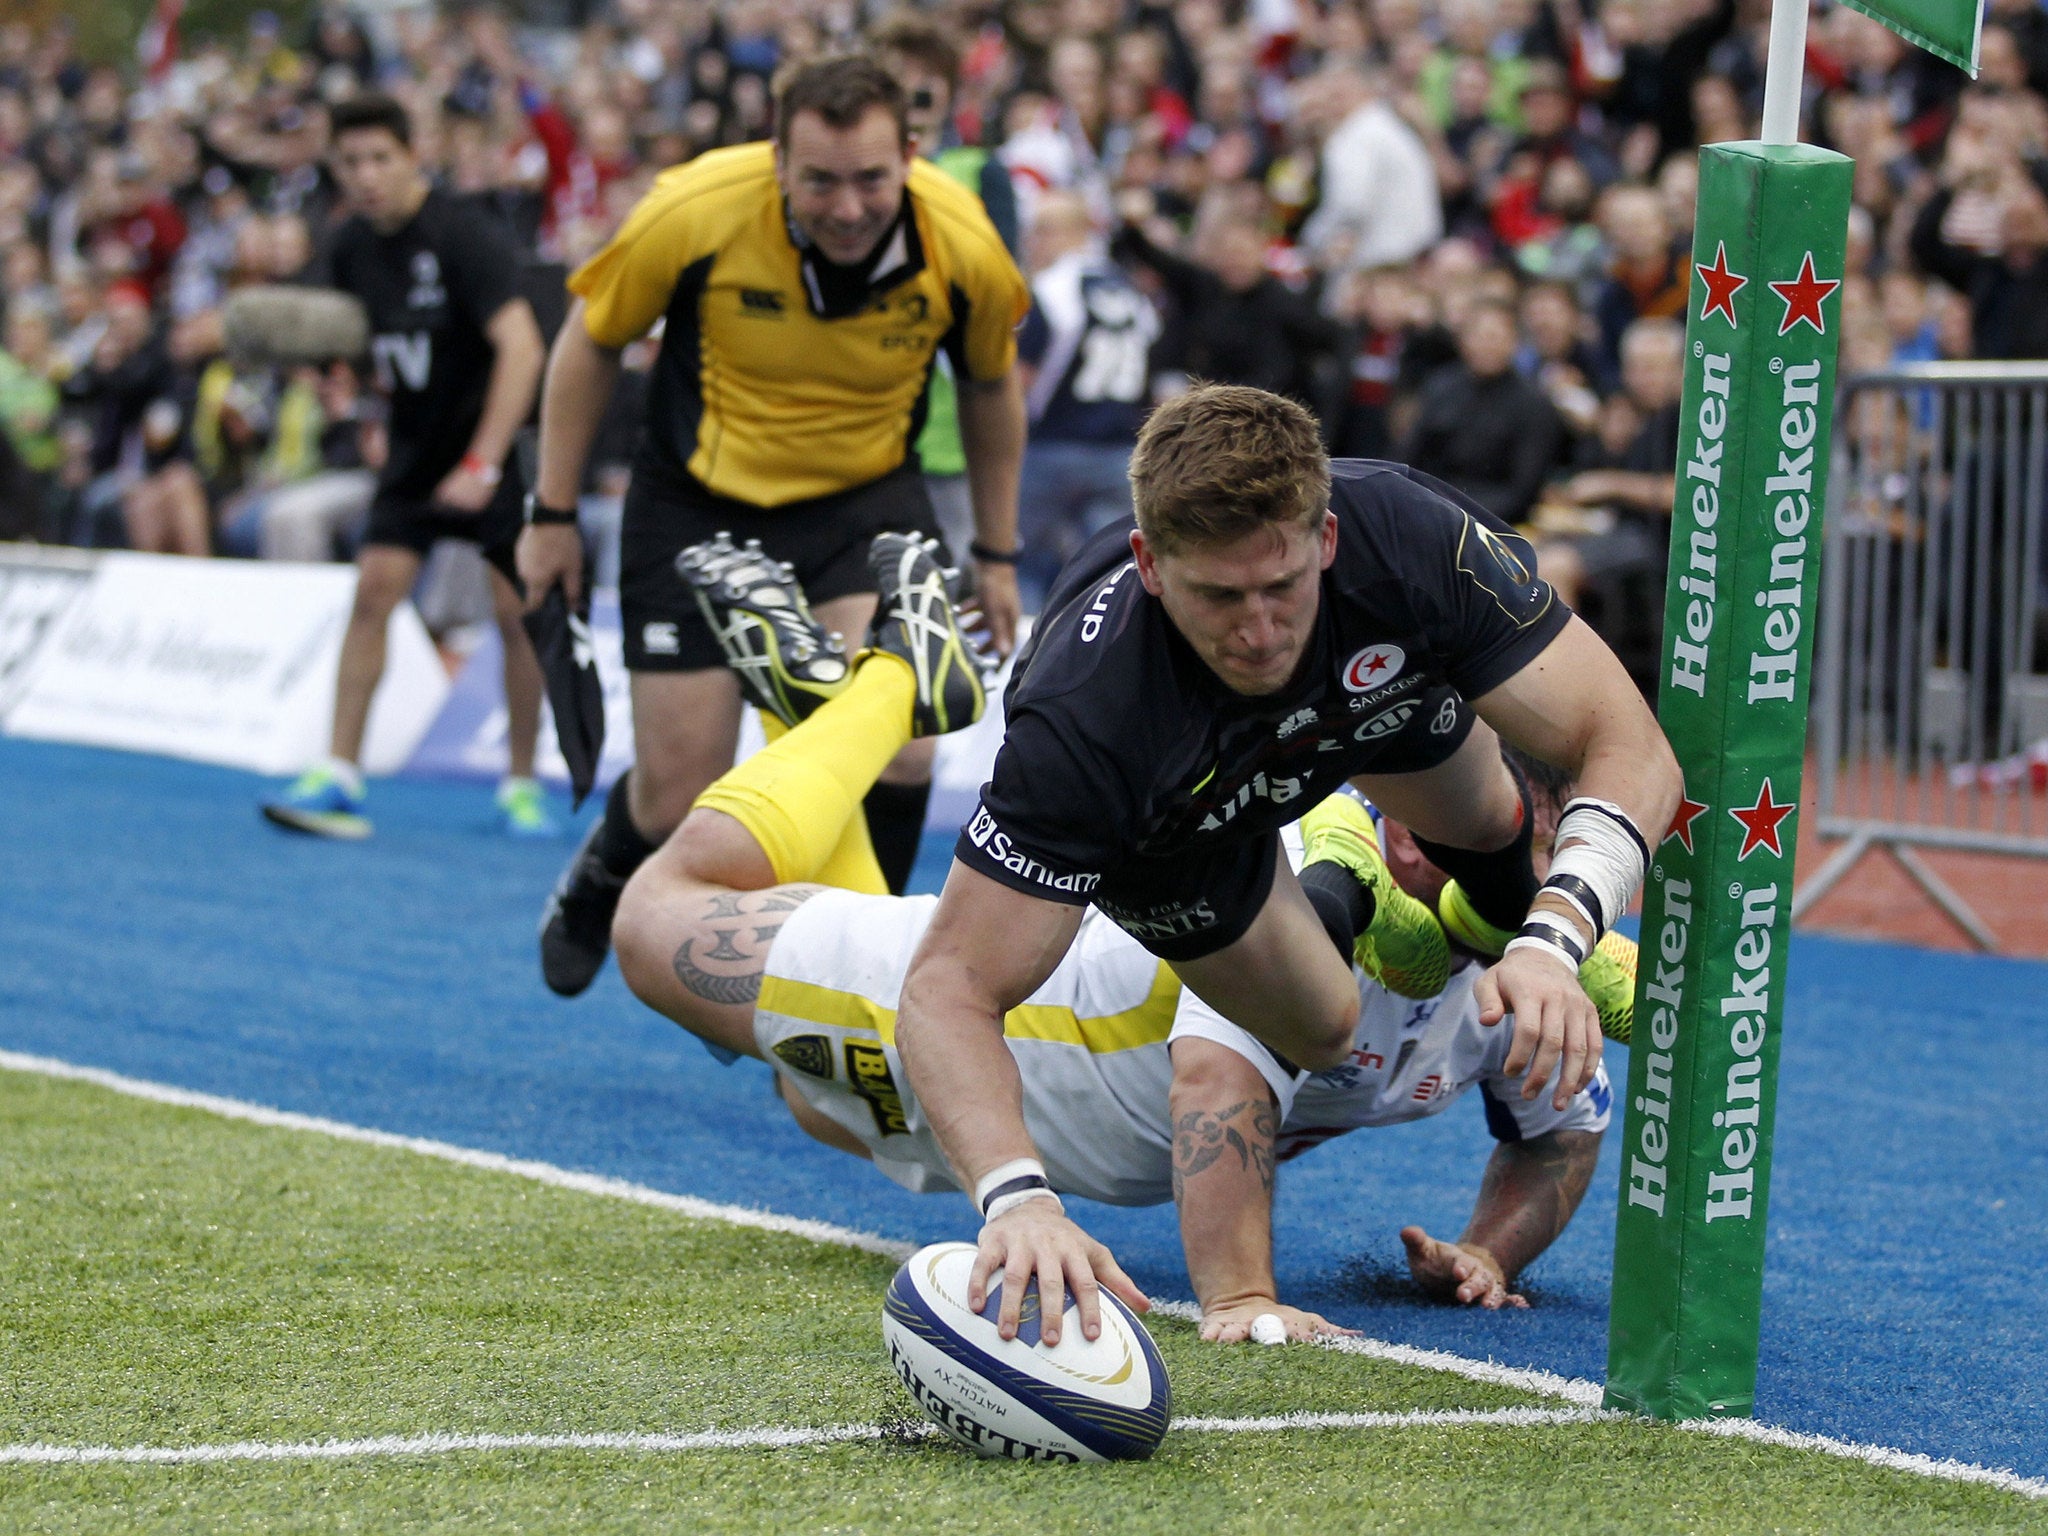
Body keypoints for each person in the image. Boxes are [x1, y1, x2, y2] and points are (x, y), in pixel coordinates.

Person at [611, 540, 1628, 1330]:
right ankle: (891, 688)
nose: (1423, 841)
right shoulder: (1327, 878)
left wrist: (1489, 1252)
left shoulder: (1545, 971)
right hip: (971, 1028)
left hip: (1015, 1120)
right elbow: (1214, 1081)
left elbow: (1560, 1139)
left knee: (807, 1101)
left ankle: (809, 718)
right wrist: (1241, 1300)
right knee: (657, 913)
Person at [893, 383, 1680, 1344]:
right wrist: (1017, 1200)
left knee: (1492, 814)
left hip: (1361, 716)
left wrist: (1557, 936)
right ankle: (1350, 879)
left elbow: (1635, 746)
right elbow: (947, 988)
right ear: (1149, 563)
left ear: (1329, 542)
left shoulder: (1410, 536)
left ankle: (1499, 929)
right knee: (1326, 1024)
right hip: (1189, 820)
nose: (1259, 631)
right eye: (1219, 597)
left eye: (1282, 588)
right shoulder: (1084, 718)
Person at [519, 55, 1031, 999]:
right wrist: (550, 513)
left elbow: (993, 386)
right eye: (820, 180)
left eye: (872, 179)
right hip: (696, 502)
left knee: (903, 736)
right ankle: (601, 872)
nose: (846, 207)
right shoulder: (697, 208)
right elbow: (590, 340)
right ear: (777, 160)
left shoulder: (962, 242)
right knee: (680, 790)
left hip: (864, 500)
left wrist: (996, 553)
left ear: (912, 156)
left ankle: (852, 973)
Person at [259, 92, 550, 841]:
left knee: (516, 617)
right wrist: (347, 397)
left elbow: (524, 349)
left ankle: (521, 785)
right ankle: (340, 771)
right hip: (415, 452)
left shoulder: (464, 232)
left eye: (380, 158)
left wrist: (484, 461)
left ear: (411, 155)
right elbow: (346, 347)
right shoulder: (350, 244)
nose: (366, 175)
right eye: (350, 162)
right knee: (372, 596)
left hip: (494, 449)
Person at [1013, 188, 1160, 605]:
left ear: (1072, 232)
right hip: (1118, 452)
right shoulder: (1130, 291)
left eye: (1042, 231)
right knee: (1111, 574)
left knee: (1027, 565)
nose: (1032, 242)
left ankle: (1026, 662)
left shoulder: (1053, 290)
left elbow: (1021, 377)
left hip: (1052, 447)